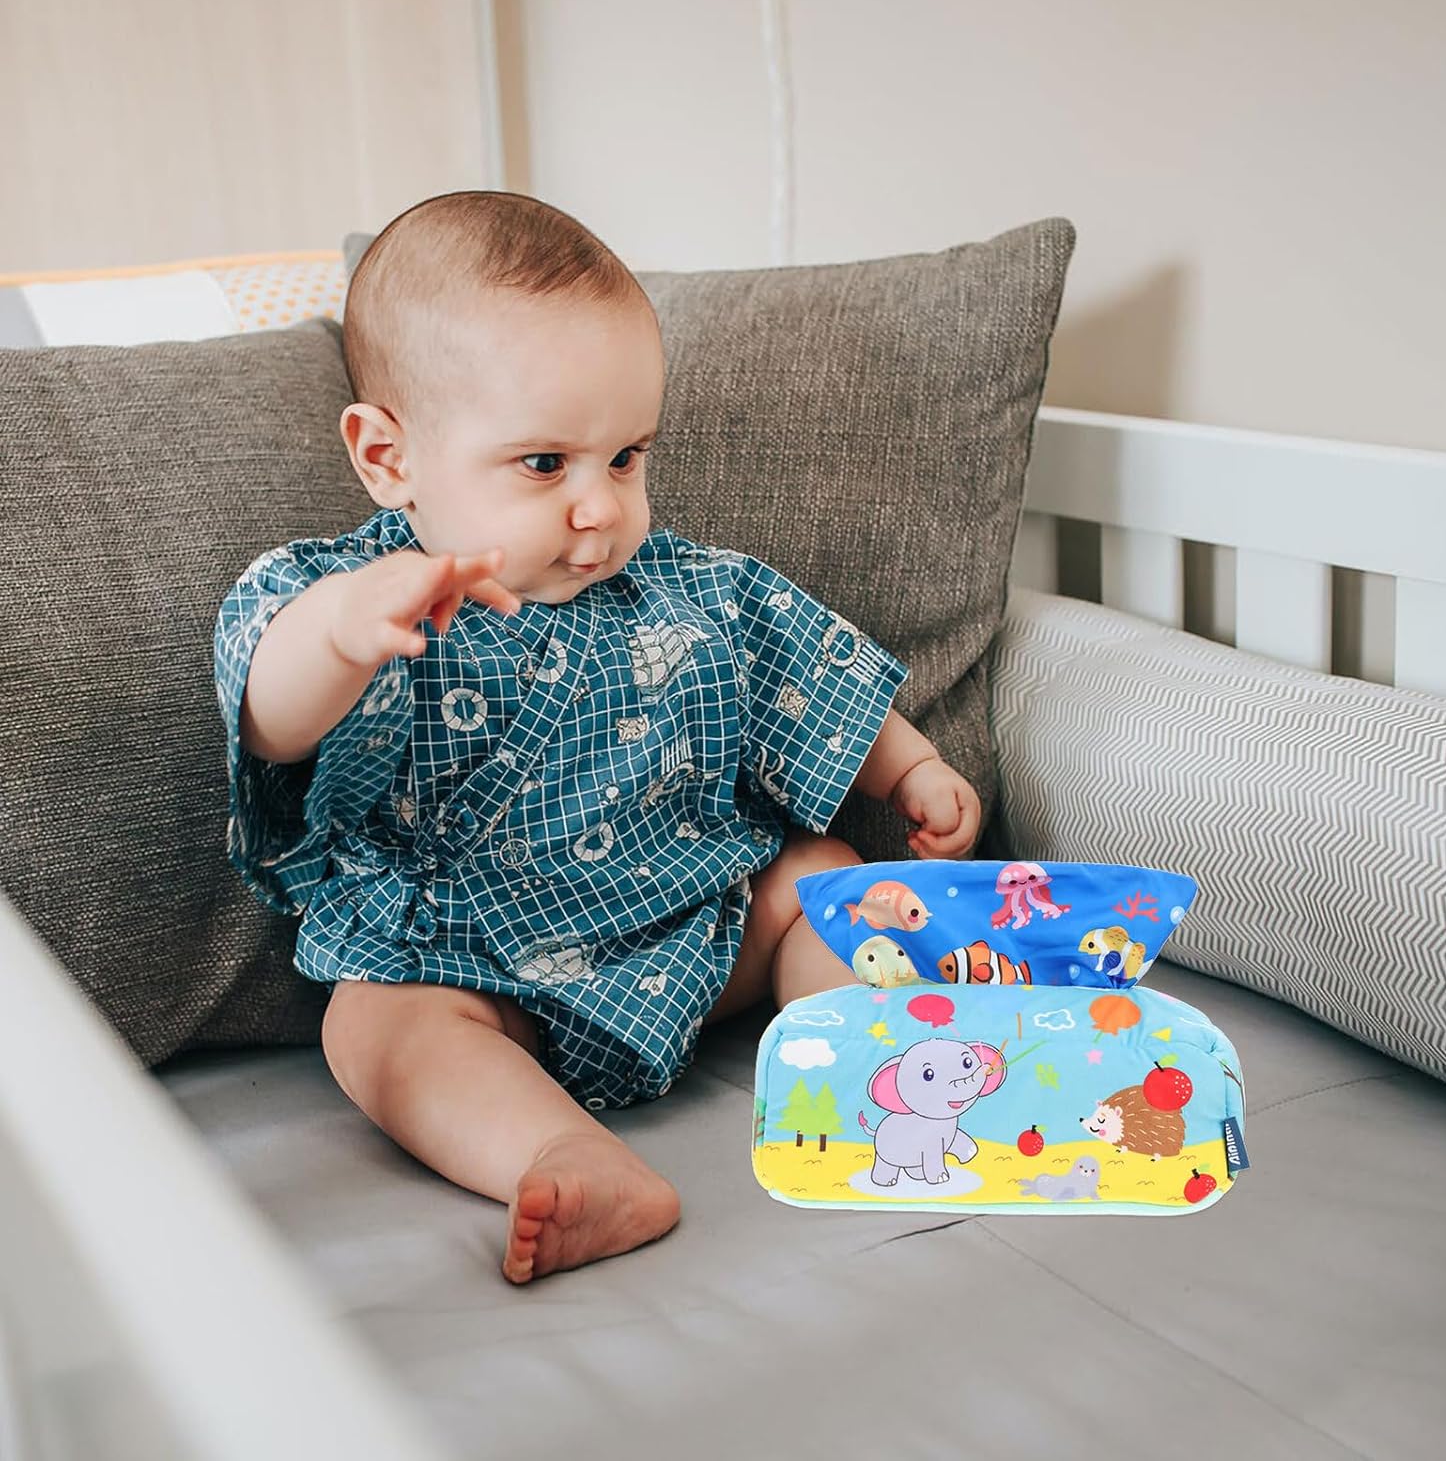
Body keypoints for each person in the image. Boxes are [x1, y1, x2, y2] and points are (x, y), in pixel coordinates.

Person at [214, 190, 982, 1283]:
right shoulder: (347, 599)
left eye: (625, 458)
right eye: (545, 465)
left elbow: (810, 676)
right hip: (468, 966)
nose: (601, 509)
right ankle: (563, 1154)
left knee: (823, 878)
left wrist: (912, 766)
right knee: (371, 1027)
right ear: (390, 459)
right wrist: (342, 632)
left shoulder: (697, 590)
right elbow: (270, 716)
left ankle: (879, 1078)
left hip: (697, 931)